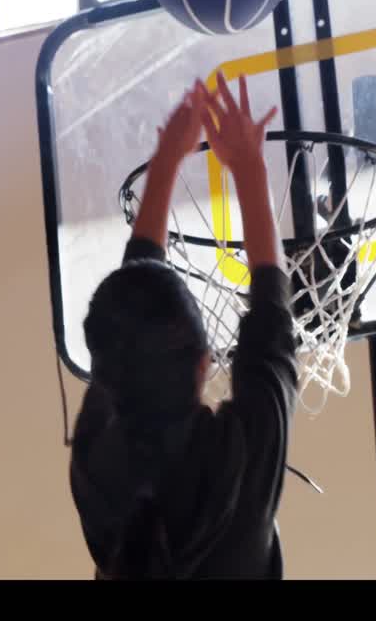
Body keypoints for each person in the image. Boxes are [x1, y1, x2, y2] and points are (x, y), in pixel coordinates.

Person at [69, 73, 298, 579]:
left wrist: (239, 170)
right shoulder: (93, 462)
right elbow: (270, 317)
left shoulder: (101, 463)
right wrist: (180, 159)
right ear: (204, 364)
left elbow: (269, 309)